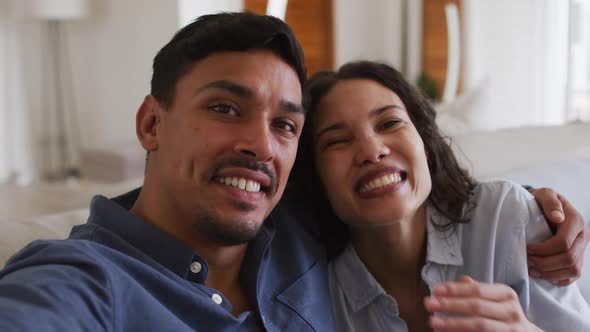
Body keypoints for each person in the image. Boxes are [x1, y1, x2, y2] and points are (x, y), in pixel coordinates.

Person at [0, 12, 586, 331]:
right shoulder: (83, 280)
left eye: (285, 125)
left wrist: (538, 207)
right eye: (225, 108)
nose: (260, 144)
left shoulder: (294, 224)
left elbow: (395, 194)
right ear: (152, 124)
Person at [294, 60, 590, 331]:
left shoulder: (506, 216)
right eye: (338, 141)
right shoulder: (310, 294)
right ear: (315, 176)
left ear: (425, 141)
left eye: (389, 123)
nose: (372, 151)